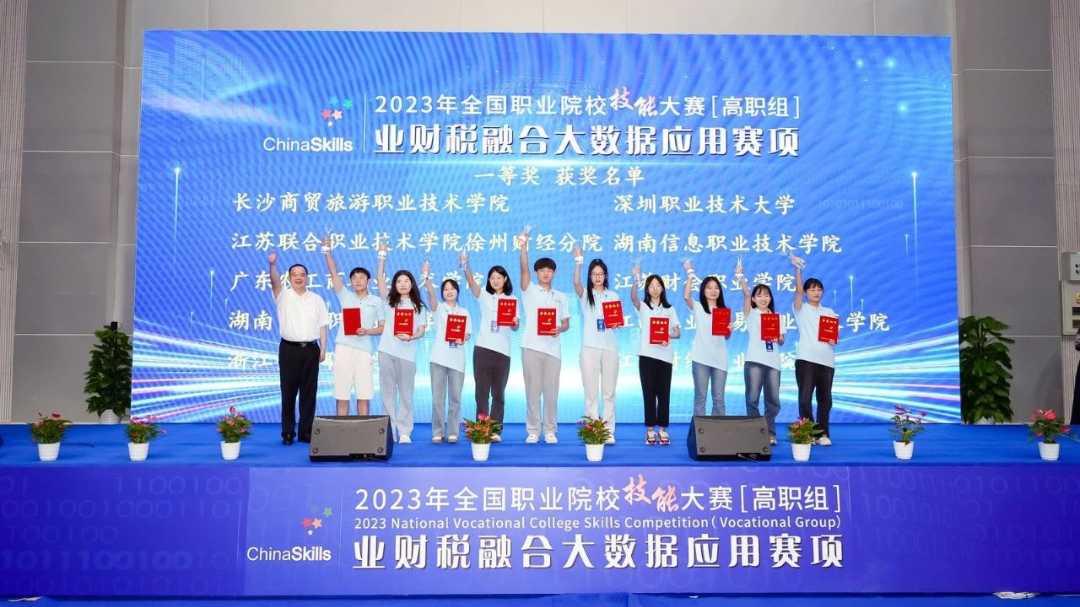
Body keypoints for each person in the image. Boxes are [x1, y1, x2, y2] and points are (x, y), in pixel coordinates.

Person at [268, 250, 328, 445]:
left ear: (307, 277)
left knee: (309, 393)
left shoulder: (316, 299)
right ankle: (287, 432)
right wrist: (273, 265)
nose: (298, 278)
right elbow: (274, 281)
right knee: (288, 392)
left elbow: (322, 325)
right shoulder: (283, 295)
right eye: (294, 275)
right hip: (289, 350)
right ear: (289, 277)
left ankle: (306, 432)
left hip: (311, 349)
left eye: (302, 275)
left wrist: (323, 349)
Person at [322, 237, 384, 416]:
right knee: (342, 393)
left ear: (368, 281)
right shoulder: (345, 296)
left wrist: (367, 331)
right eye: (354, 278)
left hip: (364, 350)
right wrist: (327, 250)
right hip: (344, 348)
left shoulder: (376, 301)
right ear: (350, 282)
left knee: (364, 394)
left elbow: (381, 327)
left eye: (361, 278)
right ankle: (341, 429)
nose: (358, 281)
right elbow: (334, 272)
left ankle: (363, 428)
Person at [519, 231, 570, 444]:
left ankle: (550, 430)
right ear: (536, 273)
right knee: (532, 392)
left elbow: (566, 323)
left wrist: (560, 328)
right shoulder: (529, 290)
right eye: (542, 270)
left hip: (553, 350)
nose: (546, 273)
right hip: (531, 347)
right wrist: (524, 246)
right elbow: (523, 268)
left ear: (554, 273)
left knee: (551, 393)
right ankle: (533, 430)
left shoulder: (561, 297)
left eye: (549, 270)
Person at [461, 254, 518, 442]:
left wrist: (514, 322)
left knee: (499, 394)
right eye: (492, 278)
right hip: (483, 348)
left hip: (503, 351)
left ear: (505, 279)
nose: (495, 280)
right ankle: (482, 429)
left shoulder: (512, 299)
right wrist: (465, 265)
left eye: (499, 277)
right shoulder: (484, 296)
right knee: (481, 393)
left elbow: (515, 327)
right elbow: (471, 282)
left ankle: (495, 431)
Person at [375, 245, 427, 443]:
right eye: (399, 281)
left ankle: (405, 431)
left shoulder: (418, 306)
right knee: (387, 394)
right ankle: (389, 431)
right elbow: (380, 279)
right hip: (386, 352)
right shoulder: (389, 301)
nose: (403, 284)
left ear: (412, 284)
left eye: (406, 281)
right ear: (394, 285)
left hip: (407, 354)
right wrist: (382, 255)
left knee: (406, 394)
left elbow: (421, 330)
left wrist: (411, 337)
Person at [573, 249, 621, 444]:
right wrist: (578, 260)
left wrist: (616, 323)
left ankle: (608, 431)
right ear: (590, 276)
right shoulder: (586, 295)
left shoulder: (613, 295)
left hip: (610, 348)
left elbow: (616, 321)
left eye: (600, 274)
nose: (598, 277)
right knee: (591, 393)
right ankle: (593, 431)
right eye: (594, 274)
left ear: (606, 276)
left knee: (609, 392)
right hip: (589, 348)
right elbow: (576, 283)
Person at [630, 267, 681, 445]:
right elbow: (633, 298)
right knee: (649, 393)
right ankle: (651, 430)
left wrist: (668, 336)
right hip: (647, 355)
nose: (655, 288)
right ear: (647, 289)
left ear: (663, 288)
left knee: (664, 394)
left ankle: (663, 429)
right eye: (651, 285)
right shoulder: (643, 307)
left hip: (665, 356)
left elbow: (677, 332)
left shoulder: (670, 309)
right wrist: (636, 278)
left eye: (658, 285)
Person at [792, 256, 838, 445]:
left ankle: (823, 434)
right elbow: (797, 291)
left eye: (819, 289)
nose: (816, 292)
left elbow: (833, 338)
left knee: (825, 400)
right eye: (812, 289)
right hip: (806, 359)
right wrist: (798, 269)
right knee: (805, 399)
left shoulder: (829, 312)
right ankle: (808, 433)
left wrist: (833, 340)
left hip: (827, 360)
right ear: (805, 293)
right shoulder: (801, 309)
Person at [423, 272, 472, 443]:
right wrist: (427, 278)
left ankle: (452, 432)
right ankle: (437, 432)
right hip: (438, 359)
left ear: (458, 291)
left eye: (452, 289)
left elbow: (467, 334)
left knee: (455, 398)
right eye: (446, 289)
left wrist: (463, 338)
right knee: (438, 398)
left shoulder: (464, 312)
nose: (449, 292)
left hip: (457, 360)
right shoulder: (439, 308)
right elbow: (431, 294)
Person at [740, 265, 786, 445]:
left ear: (771, 298)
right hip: (754, 361)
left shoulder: (777, 317)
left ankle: (770, 432)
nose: (763, 298)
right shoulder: (751, 314)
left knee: (773, 400)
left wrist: (778, 337)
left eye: (766, 295)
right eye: (759, 295)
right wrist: (741, 276)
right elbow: (745, 294)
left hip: (773, 362)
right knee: (752, 399)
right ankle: (755, 432)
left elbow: (782, 341)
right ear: (753, 299)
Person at [683, 260, 729, 417]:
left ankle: (720, 430)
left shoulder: (723, 311)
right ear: (703, 291)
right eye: (709, 287)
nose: (713, 291)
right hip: (701, 358)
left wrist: (728, 330)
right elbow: (686, 296)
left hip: (720, 359)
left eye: (716, 288)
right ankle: (700, 430)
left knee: (719, 399)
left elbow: (726, 337)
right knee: (700, 397)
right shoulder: (698, 307)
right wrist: (690, 274)